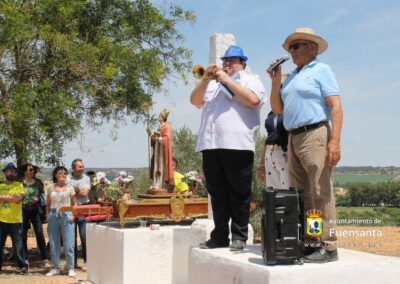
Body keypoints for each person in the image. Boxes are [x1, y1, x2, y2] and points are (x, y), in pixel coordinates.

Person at [268, 27, 343, 263]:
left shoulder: (321, 70)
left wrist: (335, 140)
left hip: (315, 134)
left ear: (312, 48)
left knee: (320, 192)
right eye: (290, 47)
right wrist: (276, 81)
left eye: (296, 46)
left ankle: (329, 246)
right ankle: (312, 241)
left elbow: (336, 106)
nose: (291, 51)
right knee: (303, 195)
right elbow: (278, 109)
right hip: (293, 137)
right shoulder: (291, 77)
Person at [190, 45, 266, 251]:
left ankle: (239, 236)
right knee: (217, 194)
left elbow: (252, 100)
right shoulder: (212, 85)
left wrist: (226, 80)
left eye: (233, 60)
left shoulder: (251, 80)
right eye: (225, 60)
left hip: (238, 145)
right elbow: (194, 100)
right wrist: (205, 79)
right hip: (211, 145)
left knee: (239, 193)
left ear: (243, 63)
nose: (227, 64)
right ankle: (219, 236)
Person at [46, 166, 76, 277]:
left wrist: (74, 215)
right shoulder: (50, 187)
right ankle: (56, 267)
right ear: (55, 175)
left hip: (67, 214)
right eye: (60, 173)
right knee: (54, 242)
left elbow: (75, 203)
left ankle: (71, 267)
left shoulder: (70, 188)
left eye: (64, 173)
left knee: (68, 242)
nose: (62, 174)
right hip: (53, 214)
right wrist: (48, 215)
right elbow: (48, 203)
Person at [0, 162, 28, 274]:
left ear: (16, 173)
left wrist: (2, 197)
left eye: (13, 171)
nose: (11, 173)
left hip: (15, 221)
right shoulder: (0, 186)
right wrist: (11, 197)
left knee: (18, 246)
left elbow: (18, 199)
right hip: (1, 220)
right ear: (4, 173)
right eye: (8, 171)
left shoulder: (19, 185)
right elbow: (13, 198)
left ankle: (22, 267)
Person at [20, 163, 49, 267]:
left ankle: (44, 258)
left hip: (35, 211)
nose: (29, 171)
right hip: (22, 211)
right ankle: (25, 258)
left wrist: (39, 200)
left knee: (40, 234)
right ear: (24, 171)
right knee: (22, 235)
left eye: (31, 169)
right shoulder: (19, 183)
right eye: (27, 169)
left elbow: (43, 198)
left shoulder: (38, 183)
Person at [66, 159, 90, 271]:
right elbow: (66, 193)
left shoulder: (86, 178)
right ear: (73, 168)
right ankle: (73, 263)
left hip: (83, 208)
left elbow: (85, 194)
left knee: (84, 236)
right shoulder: (67, 178)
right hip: (70, 209)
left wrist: (74, 191)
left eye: (83, 166)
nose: (82, 168)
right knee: (71, 237)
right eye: (80, 167)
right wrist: (75, 191)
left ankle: (86, 262)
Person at [258, 110, 289, 189]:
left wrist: (290, 152)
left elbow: (294, 133)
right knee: (272, 193)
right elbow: (269, 136)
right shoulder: (271, 113)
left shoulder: (289, 108)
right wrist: (261, 163)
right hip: (269, 154)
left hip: (284, 153)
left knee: (287, 191)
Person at [147, 109, 174, 190]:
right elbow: (156, 138)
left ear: (163, 117)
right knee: (156, 165)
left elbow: (167, 138)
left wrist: (160, 138)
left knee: (161, 165)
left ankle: (162, 184)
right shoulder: (160, 127)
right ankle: (156, 183)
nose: (158, 117)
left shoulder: (167, 126)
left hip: (163, 150)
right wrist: (151, 134)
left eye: (159, 116)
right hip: (157, 148)